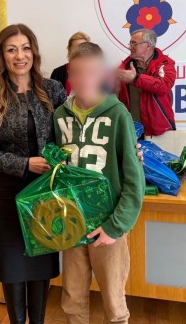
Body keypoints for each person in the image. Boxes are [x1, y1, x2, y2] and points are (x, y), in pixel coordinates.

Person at [0, 24, 66, 324]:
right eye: (12, 49)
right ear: (2, 55)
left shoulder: (53, 89)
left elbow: (73, 132)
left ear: (33, 52)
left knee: (40, 262)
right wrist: (25, 164)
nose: (20, 56)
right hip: (7, 193)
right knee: (12, 265)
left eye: (25, 48)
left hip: (45, 191)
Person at [54, 42, 145, 324]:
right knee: (72, 299)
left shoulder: (118, 114)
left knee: (114, 303)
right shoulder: (59, 116)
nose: (84, 79)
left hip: (108, 225)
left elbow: (134, 179)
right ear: (70, 74)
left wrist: (116, 226)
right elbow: (58, 170)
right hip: (73, 223)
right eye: (78, 72)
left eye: (91, 72)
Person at [116, 29, 176, 136]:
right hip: (130, 131)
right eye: (130, 43)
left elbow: (164, 87)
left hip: (159, 132)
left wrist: (136, 78)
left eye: (134, 43)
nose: (129, 47)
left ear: (148, 46)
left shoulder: (166, 63)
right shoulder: (125, 66)